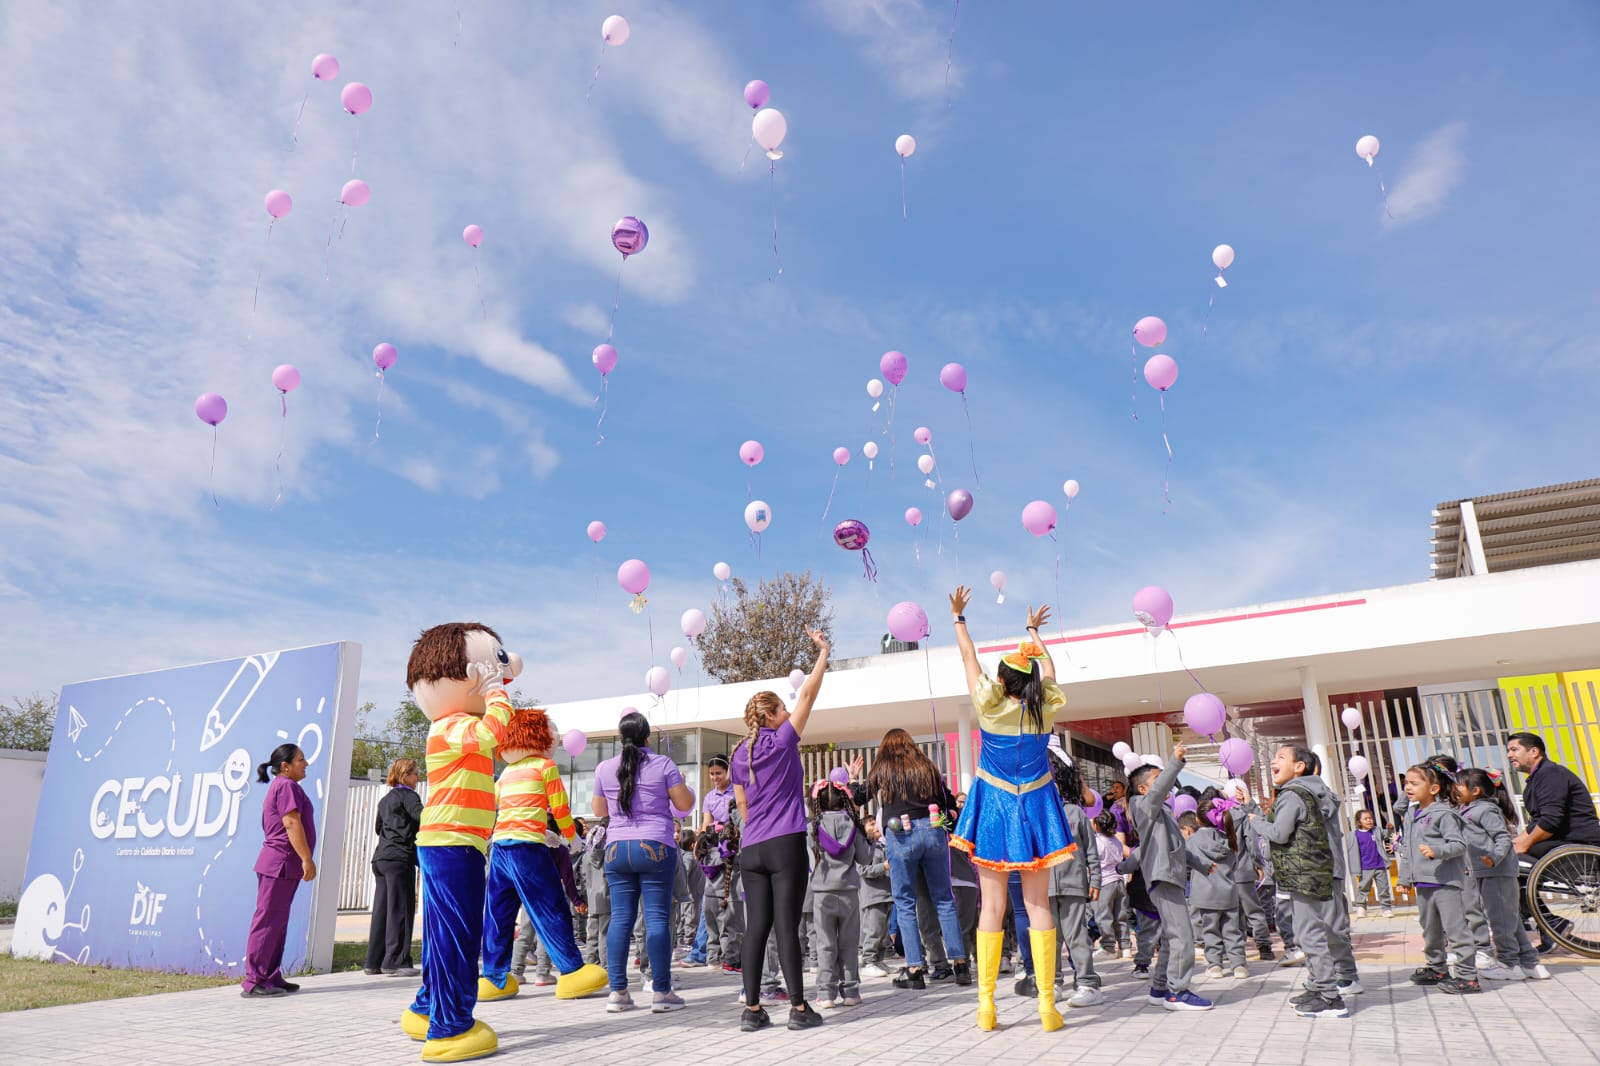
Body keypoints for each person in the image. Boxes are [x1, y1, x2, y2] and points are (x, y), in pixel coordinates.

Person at [948, 589, 1075, 1033]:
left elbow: (969, 660)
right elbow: (1052, 672)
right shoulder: (1046, 710)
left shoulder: (989, 705)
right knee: (1038, 904)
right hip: (1037, 804)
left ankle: (986, 1007)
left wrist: (959, 619)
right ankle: (1046, 1006)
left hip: (996, 807)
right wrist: (1034, 634)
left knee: (992, 907)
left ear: (1002, 680)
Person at [731, 628, 831, 1033]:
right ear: (771, 715)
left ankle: (752, 1010)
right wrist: (823, 652)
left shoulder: (739, 754)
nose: (790, 712)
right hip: (784, 843)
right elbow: (808, 694)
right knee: (787, 927)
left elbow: (741, 805)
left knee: (757, 927)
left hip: (751, 847)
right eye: (782, 710)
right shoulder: (783, 740)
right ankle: (799, 1008)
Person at [480, 707, 608, 1003]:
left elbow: (493, 808)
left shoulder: (507, 773)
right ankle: (572, 970)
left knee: (498, 913)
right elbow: (560, 808)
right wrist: (572, 838)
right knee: (550, 906)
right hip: (527, 849)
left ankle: (494, 977)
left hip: (500, 848)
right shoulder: (544, 766)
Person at [591, 710, 695, 1014]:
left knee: (621, 919)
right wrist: (683, 785)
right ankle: (662, 992)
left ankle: (618, 993)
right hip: (655, 846)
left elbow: (600, 808)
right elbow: (685, 806)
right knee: (657, 919)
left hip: (616, 849)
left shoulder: (604, 768)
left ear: (621, 737)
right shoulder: (662, 764)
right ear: (647, 737)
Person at [1249, 744, 1352, 1019]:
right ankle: (1320, 986)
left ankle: (1329, 997)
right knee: (1320, 930)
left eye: (1281, 757)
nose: (1273, 761)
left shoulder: (1293, 794)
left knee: (1310, 934)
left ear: (1299, 767)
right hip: (1315, 870)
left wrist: (1255, 821)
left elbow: (1280, 833)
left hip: (1304, 872)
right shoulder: (1315, 792)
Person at [865, 727, 970, 990]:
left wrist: (854, 780)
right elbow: (948, 800)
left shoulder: (883, 768)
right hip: (933, 832)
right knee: (944, 898)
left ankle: (914, 968)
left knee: (904, 901)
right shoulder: (927, 767)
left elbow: (860, 796)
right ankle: (960, 964)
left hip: (901, 834)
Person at [1128, 747, 1213, 1012]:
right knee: (1182, 937)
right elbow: (1155, 795)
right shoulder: (1142, 806)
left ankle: (1161, 988)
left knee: (1171, 937)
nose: (1165, 780)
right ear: (1143, 789)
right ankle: (1178, 992)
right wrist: (1175, 763)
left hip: (1169, 877)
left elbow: (1178, 848)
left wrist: (1200, 863)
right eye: (1158, 778)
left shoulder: (1163, 813)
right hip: (1163, 878)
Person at [1507, 731, 1600, 952]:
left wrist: (1523, 846)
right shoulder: (1537, 778)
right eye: (1508, 751)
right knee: (1507, 860)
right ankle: (1551, 924)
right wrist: (1513, 844)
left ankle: (1549, 924)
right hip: (1561, 842)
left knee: (1510, 865)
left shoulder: (1551, 775)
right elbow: (1534, 824)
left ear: (1534, 751)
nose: (1510, 755)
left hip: (1578, 843)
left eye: (1514, 749)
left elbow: (1550, 821)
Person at [1456, 768, 1548, 981]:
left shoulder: (1486, 810)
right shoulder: (1469, 809)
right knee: (1510, 919)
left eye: (1459, 785)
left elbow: (1503, 838)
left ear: (1476, 790)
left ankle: (1508, 964)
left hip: (1496, 871)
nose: (1455, 789)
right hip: (1487, 871)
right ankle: (1530, 963)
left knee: (1500, 921)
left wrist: (1494, 857)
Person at [242, 743, 315, 999]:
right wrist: (306, 858)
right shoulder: (286, 786)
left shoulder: (287, 786)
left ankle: (270, 976)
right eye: (301, 760)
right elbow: (291, 822)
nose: (305, 764)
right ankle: (254, 980)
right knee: (267, 921)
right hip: (279, 863)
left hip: (284, 865)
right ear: (286, 766)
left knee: (277, 923)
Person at [1398, 763, 1479, 994]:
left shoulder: (1444, 814)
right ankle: (1437, 968)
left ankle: (1467, 976)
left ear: (1433, 789)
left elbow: (1458, 845)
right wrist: (1405, 878)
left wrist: (1437, 850)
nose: (1408, 788)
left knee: (1456, 931)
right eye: (1406, 784)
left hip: (1445, 882)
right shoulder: (1412, 815)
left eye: (1415, 783)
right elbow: (1408, 849)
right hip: (1423, 883)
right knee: (1430, 930)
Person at [1045, 738, 1103, 1007]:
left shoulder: (1075, 813)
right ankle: (1054, 983)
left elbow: (1091, 850)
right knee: (1050, 938)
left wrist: (1096, 880)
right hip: (1044, 888)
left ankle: (1088, 984)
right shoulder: (1037, 816)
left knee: (1077, 935)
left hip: (1073, 884)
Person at [809, 777, 870, 1008]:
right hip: (849, 891)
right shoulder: (853, 824)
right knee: (849, 942)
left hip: (822, 892)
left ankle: (825, 994)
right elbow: (865, 858)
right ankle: (851, 992)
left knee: (824, 943)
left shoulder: (812, 826)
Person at [365, 757, 421, 977]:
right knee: (401, 910)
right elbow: (423, 818)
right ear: (405, 775)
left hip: (381, 859)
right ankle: (396, 962)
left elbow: (379, 828)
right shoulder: (409, 796)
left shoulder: (385, 800)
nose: (418, 777)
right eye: (415, 773)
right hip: (400, 859)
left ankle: (373, 961)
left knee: (382, 910)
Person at [1181, 805, 1247, 980]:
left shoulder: (1193, 841)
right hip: (1229, 893)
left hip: (1205, 895)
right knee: (1232, 931)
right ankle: (1239, 965)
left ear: (1197, 820)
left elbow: (1186, 861)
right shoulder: (1228, 839)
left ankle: (1215, 965)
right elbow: (1234, 865)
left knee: (1210, 931)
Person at [858, 816, 894, 978]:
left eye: (876, 823)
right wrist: (884, 866)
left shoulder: (883, 845)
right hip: (873, 895)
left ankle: (879, 960)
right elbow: (863, 870)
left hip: (887, 894)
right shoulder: (864, 849)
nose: (876, 827)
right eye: (871, 824)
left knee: (883, 932)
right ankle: (868, 961)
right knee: (873, 930)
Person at [1090, 811, 1129, 958]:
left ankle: (1109, 947)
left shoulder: (1097, 842)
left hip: (1104, 883)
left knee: (1104, 915)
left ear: (1097, 826)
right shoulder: (1116, 841)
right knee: (1120, 915)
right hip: (1119, 881)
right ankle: (1125, 945)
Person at [1347, 810, 1394, 919]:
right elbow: (1353, 852)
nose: (1369, 820)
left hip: (1379, 865)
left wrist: (1389, 829)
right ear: (1359, 822)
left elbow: (1386, 835)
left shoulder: (1376, 831)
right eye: (1366, 819)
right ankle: (1361, 907)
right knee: (1363, 888)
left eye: (1370, 818)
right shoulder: (1355, 835)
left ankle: (1386, 908)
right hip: (1365, 867)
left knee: (1383, 888)